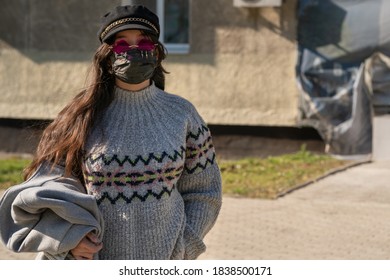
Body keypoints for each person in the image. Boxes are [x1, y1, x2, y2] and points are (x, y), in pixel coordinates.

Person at [23, 5, 222, 260]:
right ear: (107, 55)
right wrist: (68, 239)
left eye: (143, 42)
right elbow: (49, 190)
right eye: (122, 44)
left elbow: (204, 191)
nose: (134, 51)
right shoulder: (80, 117)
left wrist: (185, 248)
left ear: (157, 52)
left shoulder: (182, 114)